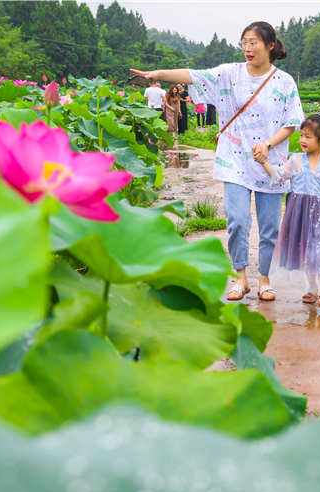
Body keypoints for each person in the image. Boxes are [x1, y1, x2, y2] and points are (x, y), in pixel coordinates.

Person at [130, 21, 304, 302]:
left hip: (271, 163)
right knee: (236, 220)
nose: (247, 48)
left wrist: (268, 144)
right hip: (234, 159)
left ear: (270, 46)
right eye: (244, 42)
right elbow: (192, 75)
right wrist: (159, 73)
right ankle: (241, 278)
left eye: (254, 43)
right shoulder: (229, 74)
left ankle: (264, 279)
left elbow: (293, 122)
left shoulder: (284, 82)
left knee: (270, 227)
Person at [259, 110, 320, 309]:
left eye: (308, 136)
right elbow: (278, 175)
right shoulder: (296, 160)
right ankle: (312, 289)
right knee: (308, 251)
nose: (302, 139)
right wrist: (264, 162)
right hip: (299, 215)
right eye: (301, 135)